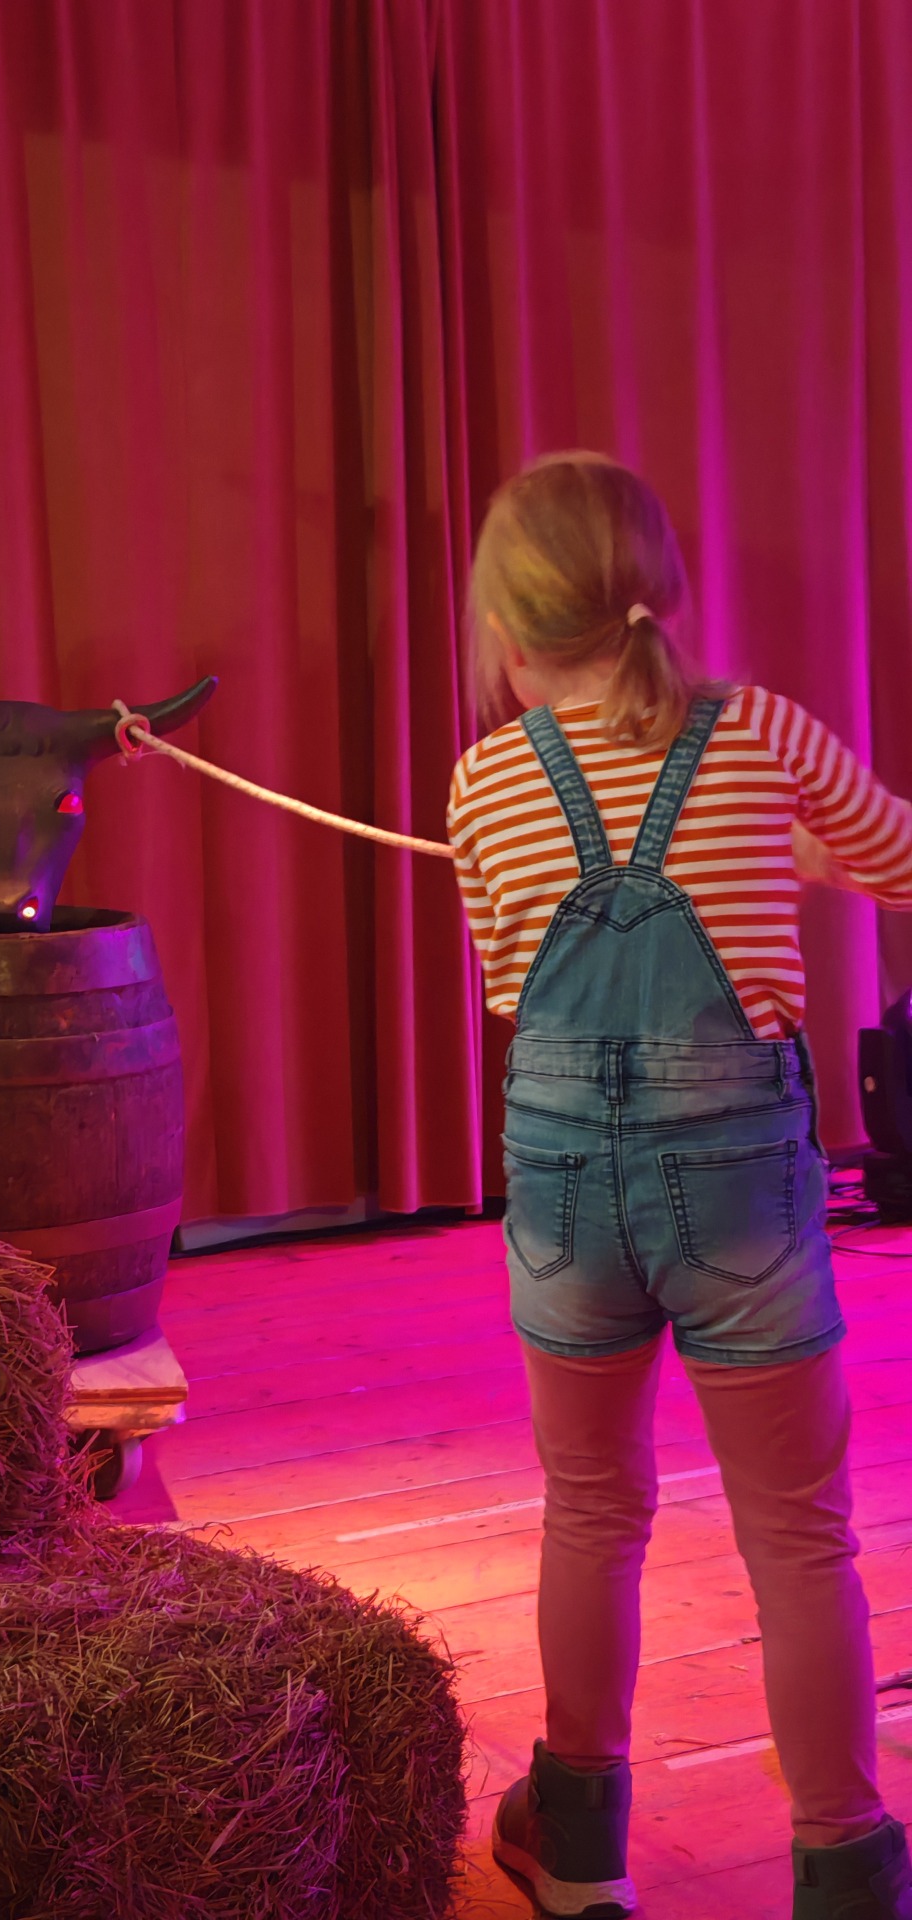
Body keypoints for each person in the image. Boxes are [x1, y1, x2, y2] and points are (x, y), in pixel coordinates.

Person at [447, 452, 912, 1920]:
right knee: (799, 1534)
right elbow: (903, 861)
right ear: (659, 594)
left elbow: (506, 979)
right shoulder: (758, 731)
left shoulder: (482, 780)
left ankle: (579, 1846)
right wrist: (803, 863)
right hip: (739, 1182)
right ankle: (847, 1867)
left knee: (591, 1510)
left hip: (563, 1185)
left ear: (507, 627)